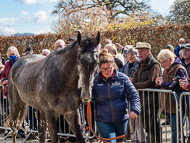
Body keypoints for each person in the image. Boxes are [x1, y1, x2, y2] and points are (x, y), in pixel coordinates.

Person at [92, 49, 141, 143]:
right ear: (99, 68)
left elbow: (134, 94)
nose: (107, 71)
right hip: (103, 119)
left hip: (121, 119)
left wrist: (135, 109)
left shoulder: (122, 78)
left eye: (109, 68)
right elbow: (86, 97)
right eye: (104, 69)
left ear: (114, 66)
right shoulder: (94, 80)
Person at [155, 49, 188, 143]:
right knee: (174, 131)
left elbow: (178, 87)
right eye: (160, 62)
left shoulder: (179, 69)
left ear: (170, 59)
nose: (162, 65)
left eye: (163, 62)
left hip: (177, 105)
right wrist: (158, 83)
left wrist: (162, 84)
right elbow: (165, 83)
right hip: (168, 105)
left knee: (176, 131)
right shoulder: (167, 69)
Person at [132, 42, 162, 143]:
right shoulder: (140, 64)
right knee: (147, 127)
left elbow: (152, 82)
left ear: (148, 51)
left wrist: (136, 86)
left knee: (154, 127)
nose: (139, 54)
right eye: (138, 52)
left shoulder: (154, 64)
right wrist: (132, 83)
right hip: (143, 101)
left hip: (152, 102)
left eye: (141, 51)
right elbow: (135, 79)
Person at [121, 48, 145, 142]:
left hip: (137, 94)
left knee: (138, 121)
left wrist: (132, 81)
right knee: (131, 121)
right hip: (127, 95)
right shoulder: (125, 66)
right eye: (128, 54)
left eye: (132, 54)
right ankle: (134, 139)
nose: (130, 56)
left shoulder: (139, 64)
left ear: (136, 55)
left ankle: (141, 139)